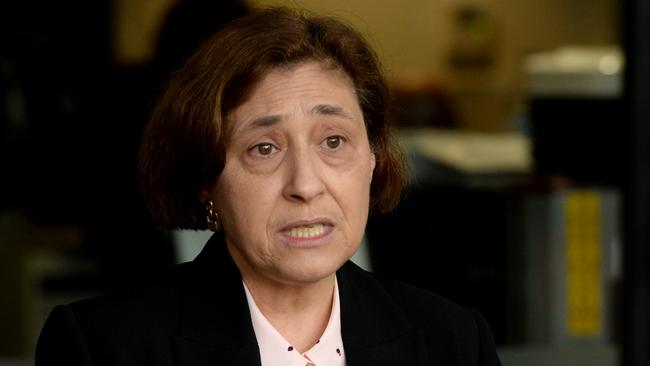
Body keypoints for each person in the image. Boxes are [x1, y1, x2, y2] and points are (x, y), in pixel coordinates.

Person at [35, 7, 501, 365]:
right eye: (264, 148)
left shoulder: (453, 341)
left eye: (333, 141)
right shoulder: (103, 348)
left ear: (373, 158)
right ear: (205, 180)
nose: (305, 184)